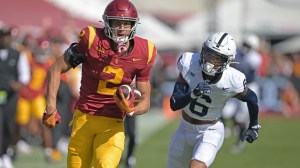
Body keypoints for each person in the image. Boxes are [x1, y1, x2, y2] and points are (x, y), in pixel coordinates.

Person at [42, 0, 157, 167]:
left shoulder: (145, 51)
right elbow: (55, 69)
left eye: (126, 23)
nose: (121, 28)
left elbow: (145, 100)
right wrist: (51, 108)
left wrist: (132, 110)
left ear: (134, 25)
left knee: (104, 165)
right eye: (117, 22)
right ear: (107, 22)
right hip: (84, 121)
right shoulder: (91, 39)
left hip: (112, 124)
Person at [167, 32, 261, 168]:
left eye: (218, 58)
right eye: (209, 54)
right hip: (184, 128)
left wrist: (253, 125)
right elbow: (174, 104)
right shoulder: (189, 63)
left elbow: (252, 98)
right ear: (203, 50)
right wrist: (193, 94)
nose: (211, 60)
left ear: (227, 61)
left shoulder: (232, 80)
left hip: (210, 131)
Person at [0, 26, 30, 168]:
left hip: (11, 96)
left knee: (8, 125)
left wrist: (18, 85)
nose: (4, 39)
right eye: (2, 36)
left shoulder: (18, 54)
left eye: (7, 36)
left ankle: (5, 153)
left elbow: (25, 75)